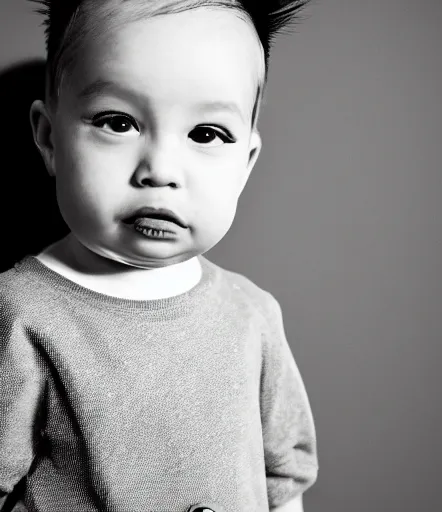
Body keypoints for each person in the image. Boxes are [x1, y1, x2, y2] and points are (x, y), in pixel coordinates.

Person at [0, 1, 318, 511]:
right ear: (49, 138)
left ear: (246, 164)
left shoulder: (253, 314)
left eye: (206, 134)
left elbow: (283, 483)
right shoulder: (23, 313)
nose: (161, 169)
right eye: (118, 122)